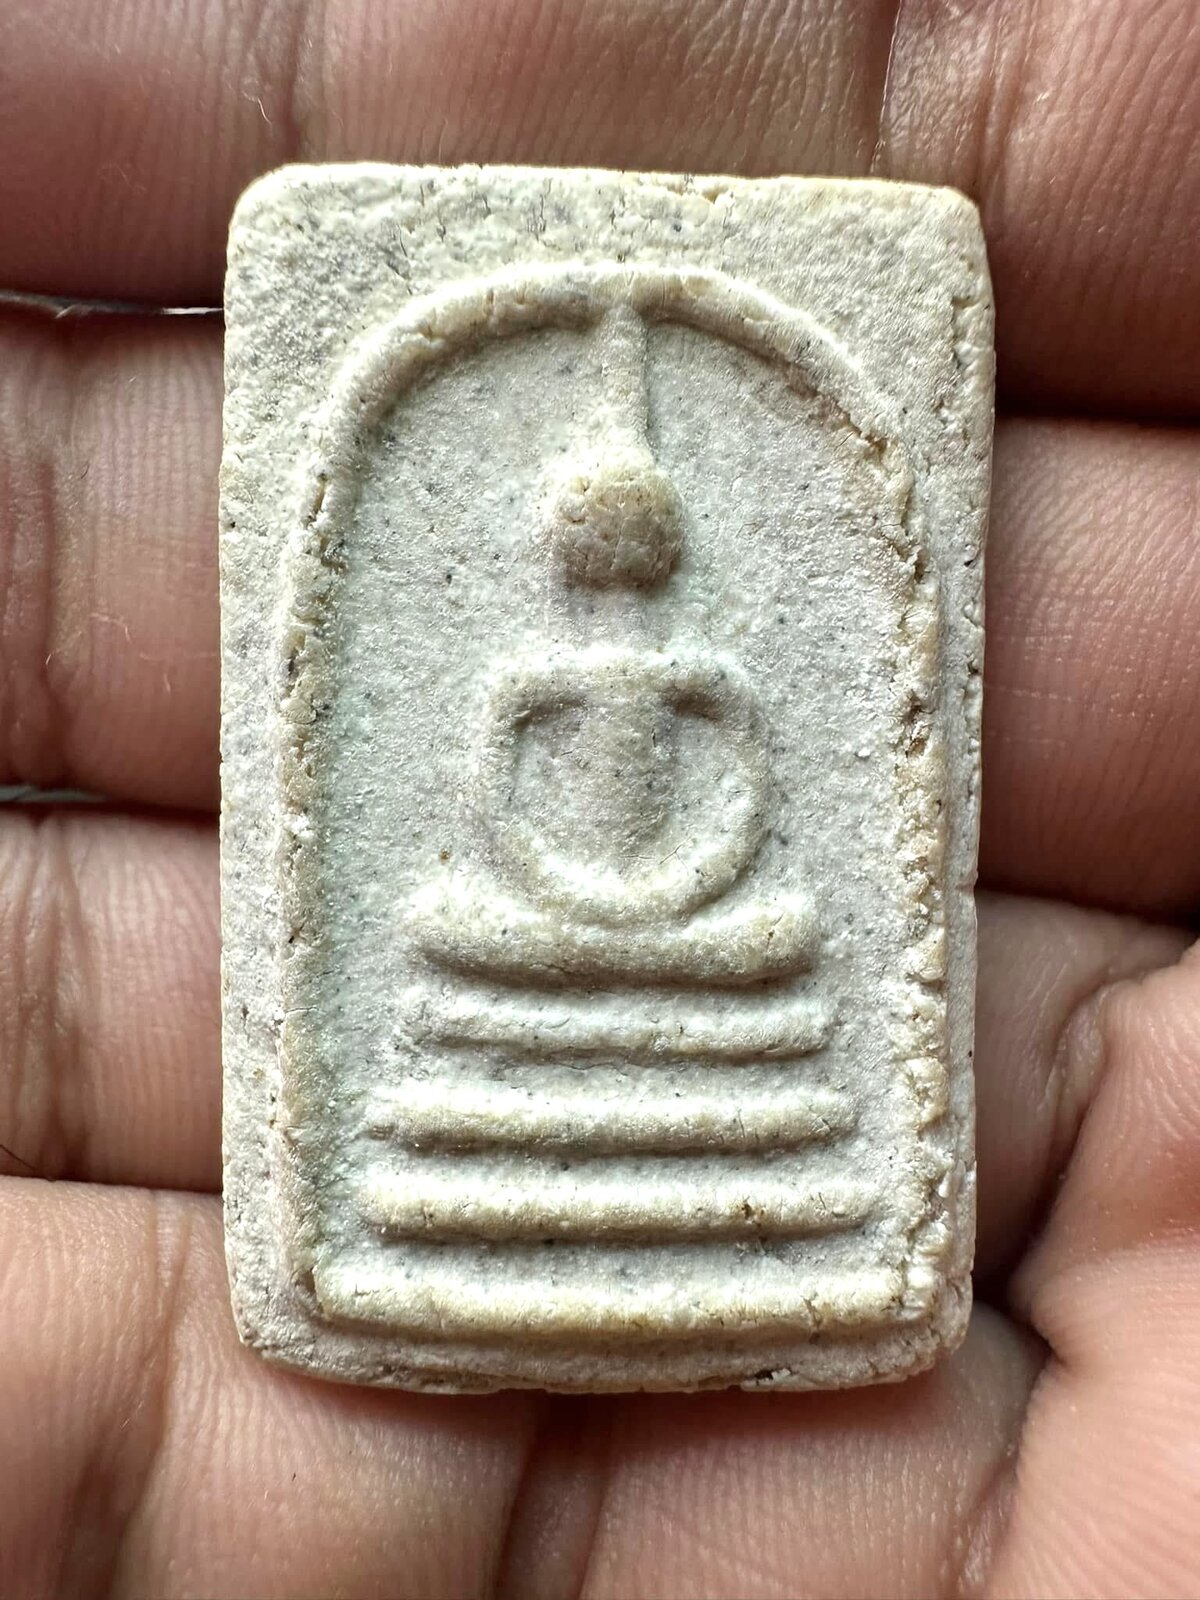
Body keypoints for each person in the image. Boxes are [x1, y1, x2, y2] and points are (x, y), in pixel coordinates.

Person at [0, 2, 1197, 1594]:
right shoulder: (524, 677)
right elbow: (497, 809)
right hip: (548, 904)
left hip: (691, 912)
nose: (610, 563)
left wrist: (672, 894)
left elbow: (748, 795)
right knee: (457, 933)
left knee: (773, 944)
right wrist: (575, 895)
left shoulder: (703, 669)